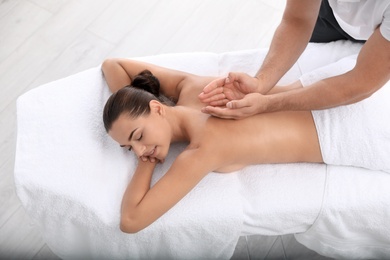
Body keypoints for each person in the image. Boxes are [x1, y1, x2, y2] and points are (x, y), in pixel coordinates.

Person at [101, 58, 322, 233]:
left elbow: (130, 221)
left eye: (138, 136)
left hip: (333, 125)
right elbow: (112, 64)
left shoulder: (203, 151)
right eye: (129, 147)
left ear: (158, 108)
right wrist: (133, 108)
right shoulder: (194, 87)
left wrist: (147, 162)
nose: (139, 152)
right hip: (320, 86)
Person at [198, 0, 390, 119]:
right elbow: (297, 21)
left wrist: (269, 104)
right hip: (331, 14)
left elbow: (361, 83)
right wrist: (260, 83)